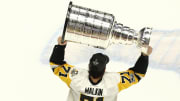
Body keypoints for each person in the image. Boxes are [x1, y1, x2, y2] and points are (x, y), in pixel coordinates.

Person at [49, 36, 153, 101]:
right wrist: (144, 56)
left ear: (89, 67)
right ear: (104, 70)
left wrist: (60, 46)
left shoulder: (75, 77)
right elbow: (138, 73)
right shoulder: (114, 82)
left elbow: (56, 65)